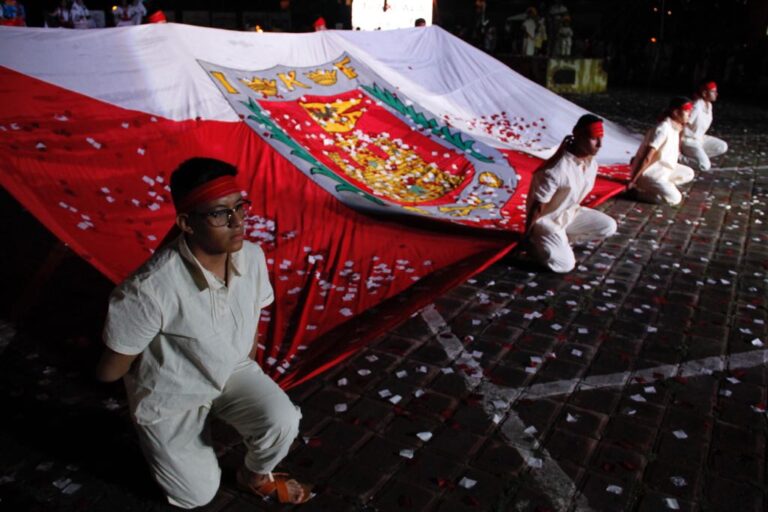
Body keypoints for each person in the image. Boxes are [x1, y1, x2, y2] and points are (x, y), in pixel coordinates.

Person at [96, 158, 312, 507]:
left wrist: (247, 376)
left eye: (240, 207)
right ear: (186, 223)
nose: (238, 222)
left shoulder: (251, 256)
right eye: (220, 214)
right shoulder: (149, 289)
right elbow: (109, 372)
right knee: (196, 495)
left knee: (282, 420)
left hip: (231, 368)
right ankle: (166, 440)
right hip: (172, 391)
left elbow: (253, 321)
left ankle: (254, 475)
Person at [525, 115, 617, 273]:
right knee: (565, 265)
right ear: (578, 135)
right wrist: (526, 238)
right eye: (594, 139)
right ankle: (542, 243)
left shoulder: (591, 164)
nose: (600, 145)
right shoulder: (556, 170)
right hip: (548, 222)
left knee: (609, 226)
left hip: (569, 214)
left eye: (601, 138)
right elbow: (537, 207)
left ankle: (562, 240)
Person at [628, 97, 695, 206]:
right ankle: (637, 193)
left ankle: (661, 185)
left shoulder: (676, 127)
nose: (689, 114)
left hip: (664, 169)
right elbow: (647, 156)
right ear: (675, 112)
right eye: (687, 111)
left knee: (689, 173)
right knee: (674, 199)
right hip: (650, 172)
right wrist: (633, 180)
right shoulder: (663, 128)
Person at [679, 81, 728, 171]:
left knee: (722, 146)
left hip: (700, 138)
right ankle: (680, 158)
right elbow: (682, 124)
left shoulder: (709, 106)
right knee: (704, 166)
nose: (716, 94)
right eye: (713, 92)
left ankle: (697, 156)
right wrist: (677, 146)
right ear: (705, 93)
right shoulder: (696, 106)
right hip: (689, 140)